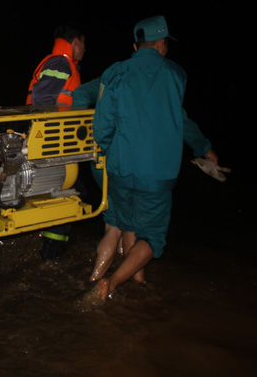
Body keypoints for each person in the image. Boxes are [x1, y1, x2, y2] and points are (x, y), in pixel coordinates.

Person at [88, 15, 218, 303]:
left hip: (121, 169)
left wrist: (114, 151)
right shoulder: (175, 75)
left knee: (127, 224)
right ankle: (112, 282)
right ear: (161, 44)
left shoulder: (115, 73)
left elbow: (101, 128)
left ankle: (134, 282)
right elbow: (179, 120)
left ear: (136, 45)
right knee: (153, 237)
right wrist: (204, 148)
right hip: (157, 174)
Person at [26, 22, 86, 259]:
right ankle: (50, 257)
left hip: (56, 142)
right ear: (75, 42)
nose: (84, 50)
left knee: (66, 194)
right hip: (53, 143)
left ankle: (43, 250)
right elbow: (42, 100)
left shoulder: (59, 62)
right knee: (70, 195)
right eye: (84, 44)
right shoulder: (61, 63)